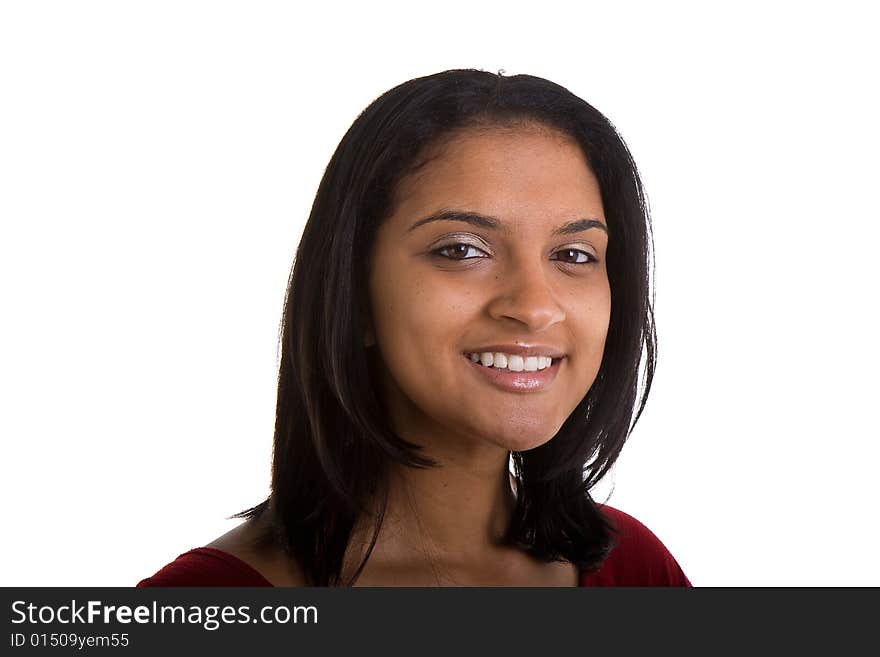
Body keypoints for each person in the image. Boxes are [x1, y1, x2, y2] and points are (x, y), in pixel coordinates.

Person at [138, 69, 691, 587]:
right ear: (354, 296)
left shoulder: (636, 568)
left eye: (573, 253)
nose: (534, 306)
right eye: (461, 249)